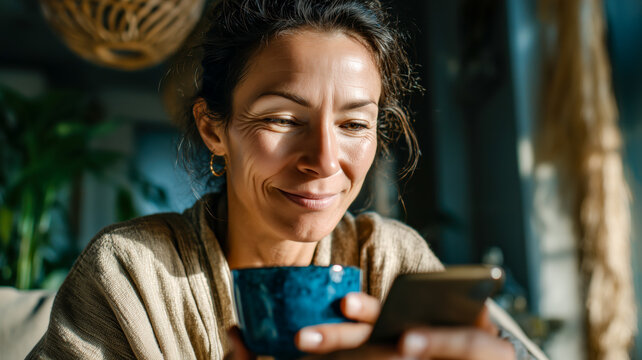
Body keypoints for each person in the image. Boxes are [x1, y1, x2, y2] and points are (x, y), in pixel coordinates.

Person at [28, 0, 546, 359]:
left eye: (354, 125)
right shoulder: (131, 277)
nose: (323, 160)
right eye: (282, 119)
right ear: (214, 128)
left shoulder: (389, 263)